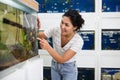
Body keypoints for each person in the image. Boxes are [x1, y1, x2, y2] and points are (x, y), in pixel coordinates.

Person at [37, 9, 84, 80]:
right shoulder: (55, 30)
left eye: (67, 25)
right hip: (54, 66)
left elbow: (62, 60)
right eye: (62, 22)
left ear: (75, 27)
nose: (62, 26)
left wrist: (48, 47)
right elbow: (39, 36)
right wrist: (36, 28)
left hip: (69, 68)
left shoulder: (78, 41)